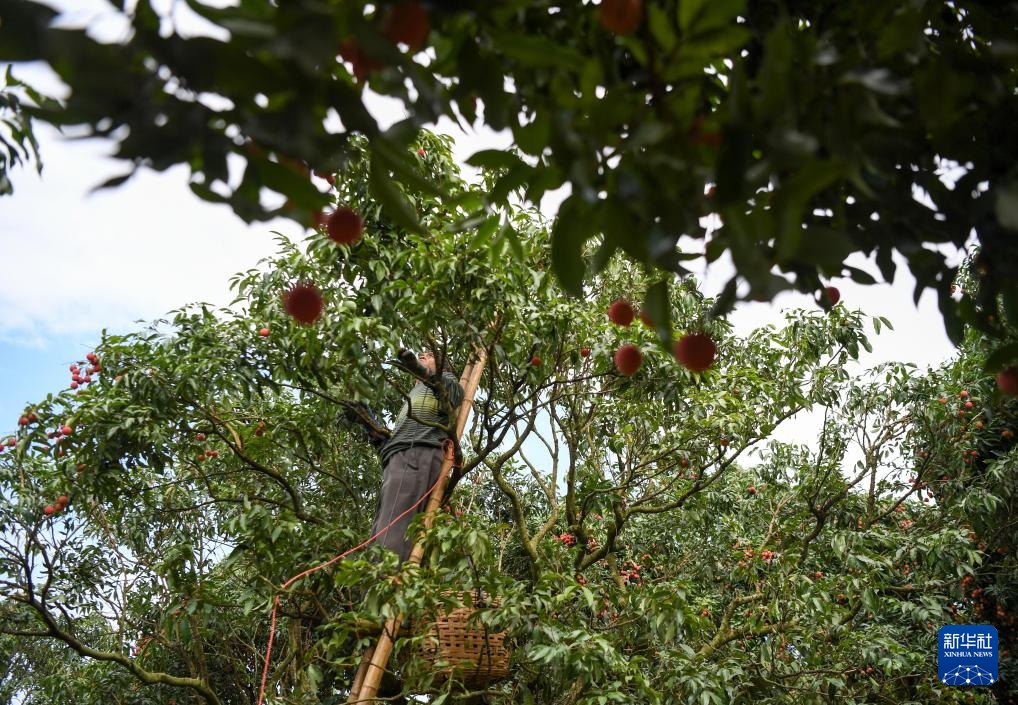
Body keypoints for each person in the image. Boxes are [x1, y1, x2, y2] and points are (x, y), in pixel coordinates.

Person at [349, 348, 464, 563]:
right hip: (400, 455)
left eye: (429, 356)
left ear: (442, 367)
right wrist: (368, 422)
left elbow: (456, 394)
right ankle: (380, 583)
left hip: (418, 452)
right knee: (384, 524)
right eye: (421, 355)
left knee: (394, 528)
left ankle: (385, 583)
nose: (422, 356)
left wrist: (424, 372)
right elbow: (393, 441)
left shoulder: (444, 383)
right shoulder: (416, 394)